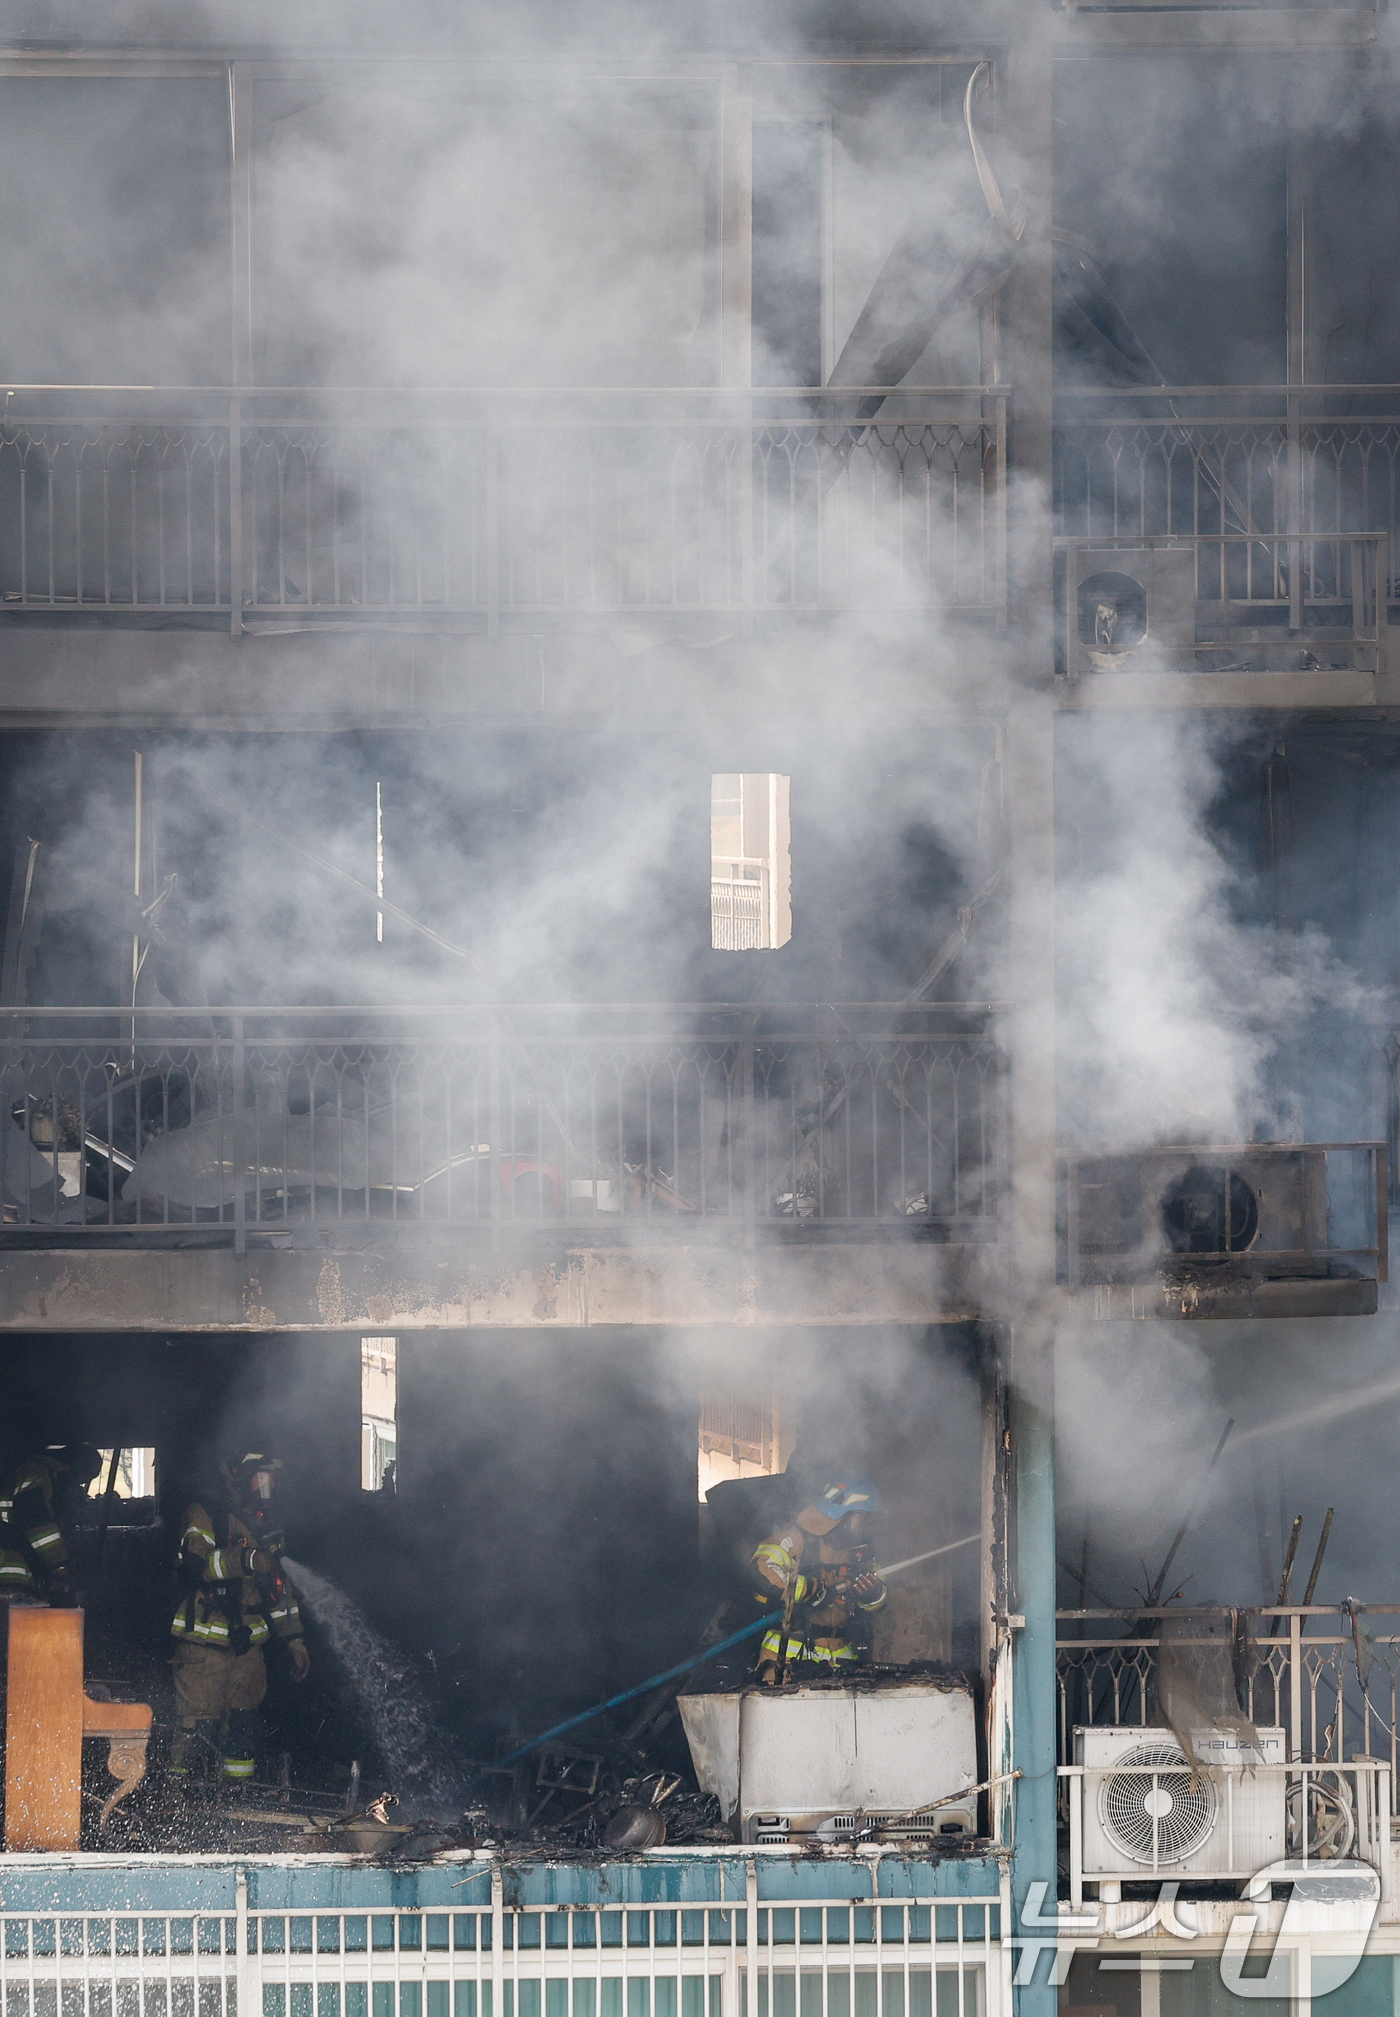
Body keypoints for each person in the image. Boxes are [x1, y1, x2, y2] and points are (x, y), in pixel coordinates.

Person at [168, 1451, 310, 1790]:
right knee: (197, 1726)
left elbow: (278, 1590)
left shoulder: (265, 1524)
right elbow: (197, 1563)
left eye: (273, 1482)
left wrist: (295, 1641)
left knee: (245, 1726)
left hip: (249, 1651)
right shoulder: (205, 1512)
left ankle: (235, 1798)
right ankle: (175, 1800)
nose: (267, 1489)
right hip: (205, 1647)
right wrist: (247, 1559)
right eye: (261, 1480)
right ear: (239, 1477)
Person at [750, 1472, 887, 1682]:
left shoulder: (859, 1551)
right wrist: (811, 1589)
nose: (866, 1526)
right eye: (862, 1517)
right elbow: (762, 1569)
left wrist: (873, 1594)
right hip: (786, 1660)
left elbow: (879, 1599)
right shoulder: (798, 1538)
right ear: (845, 1513)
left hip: (841, 1660)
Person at [0, 1442, 104, 1603]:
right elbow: (38, 1526)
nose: (76, 1485)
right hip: (8, 1569)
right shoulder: (36, 1474)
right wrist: (59, 1566)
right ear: (75, 1467)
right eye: (79, 1479)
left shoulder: (39, 1471)